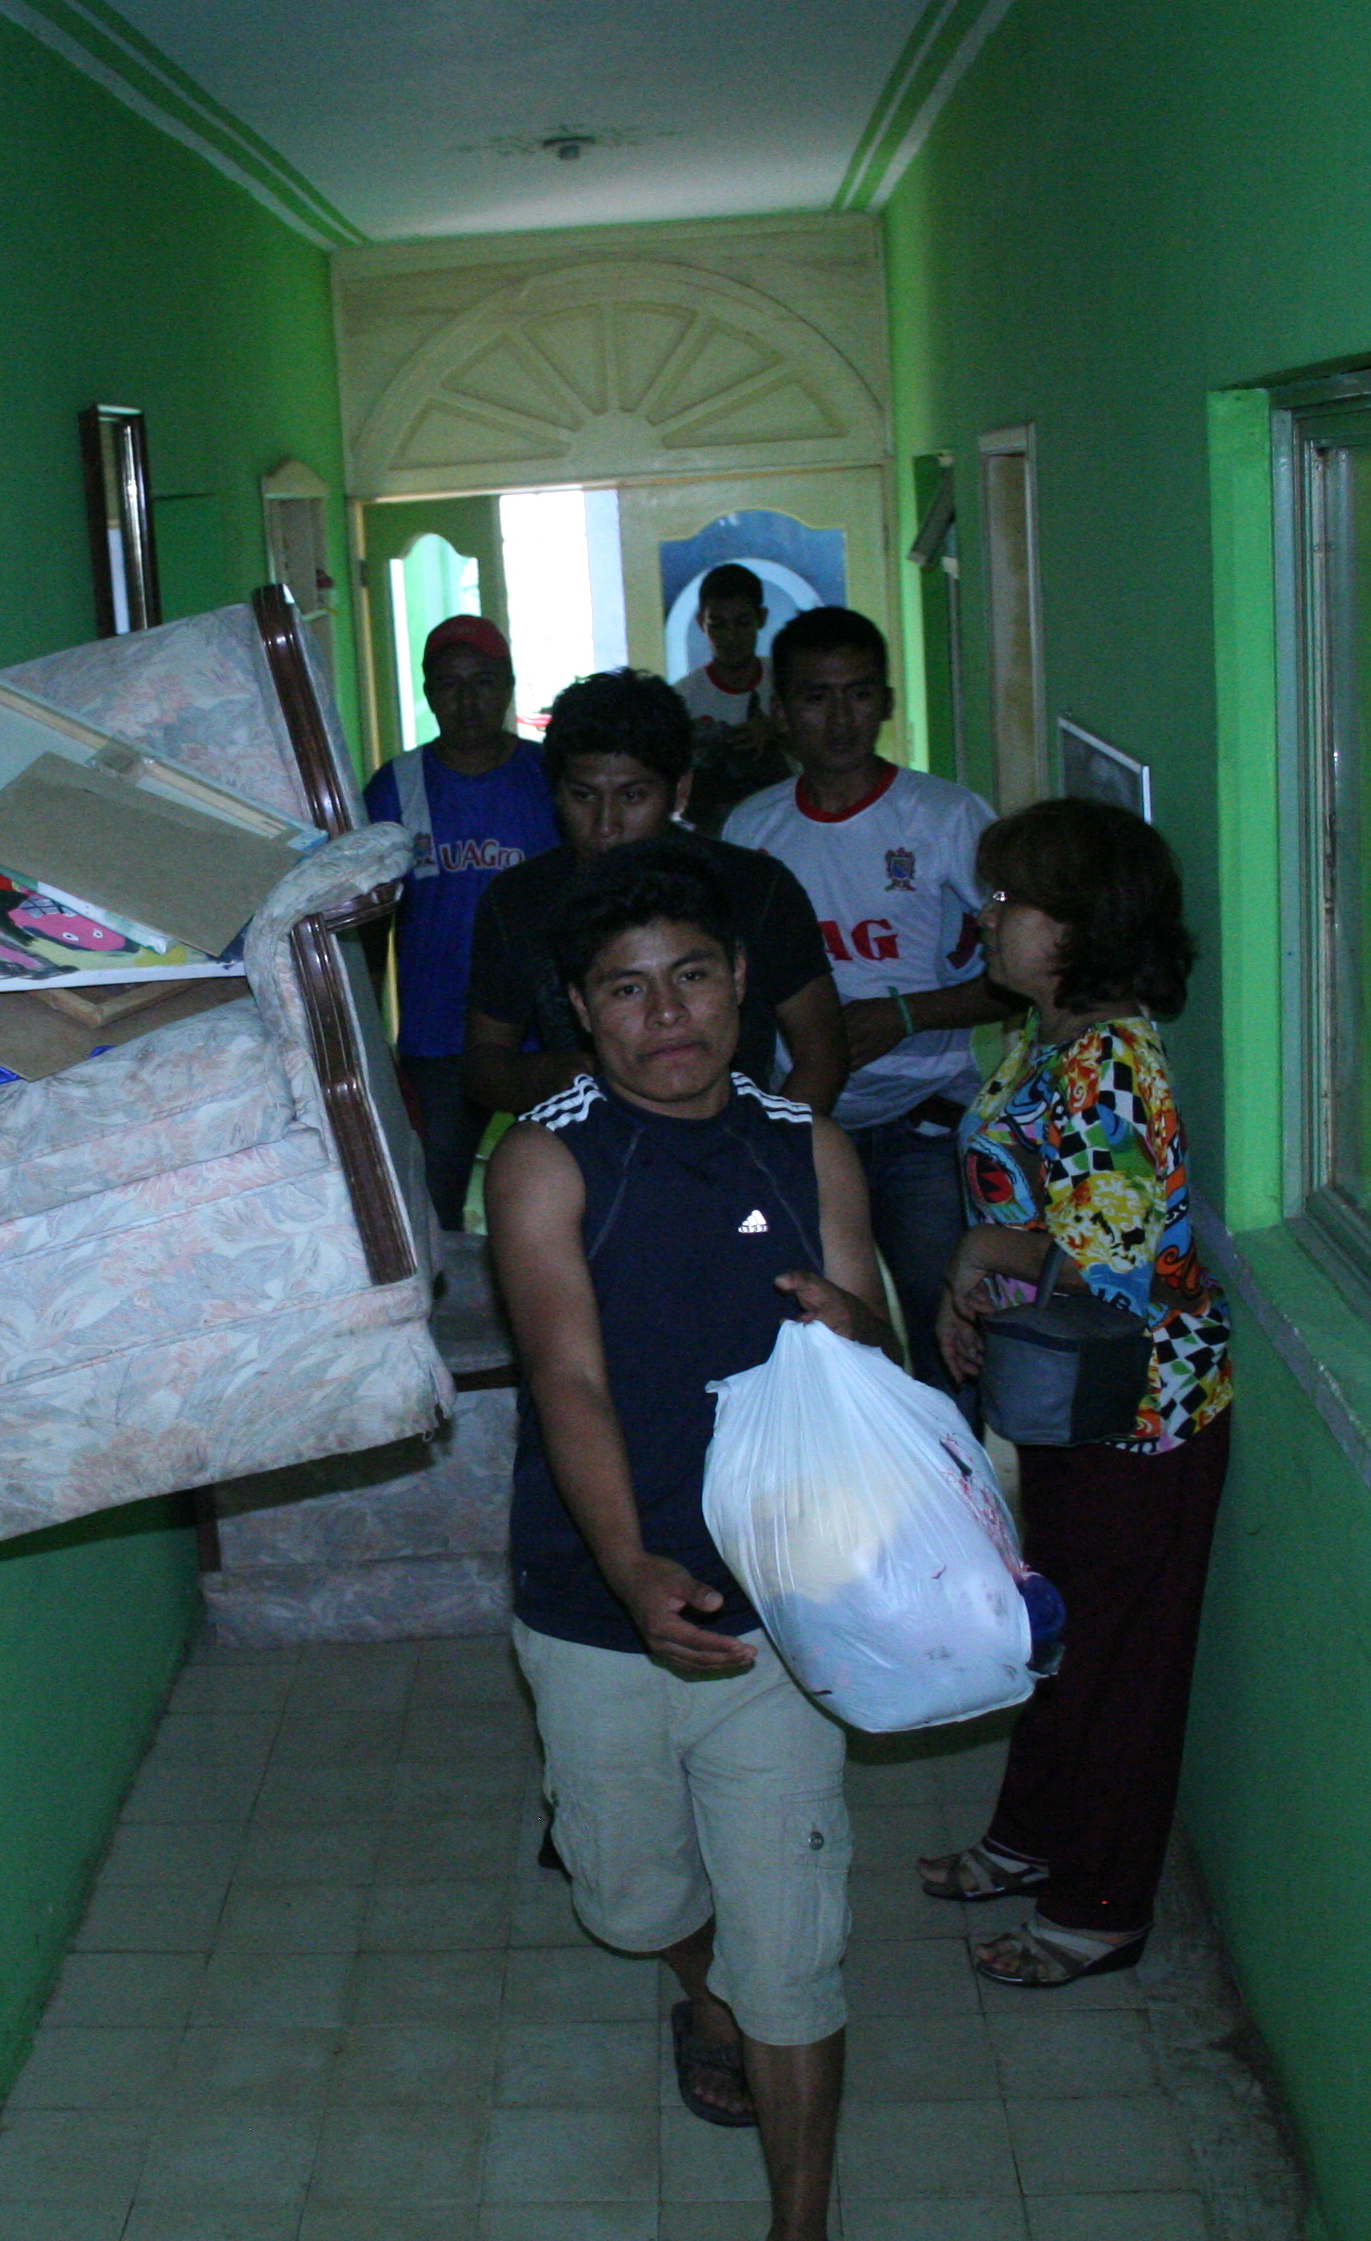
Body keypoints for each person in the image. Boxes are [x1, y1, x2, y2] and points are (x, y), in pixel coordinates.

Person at [486, 838, 894, 2241]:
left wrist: (857, 1323)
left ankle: (799, 2221)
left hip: (785, 1600)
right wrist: (628, 1567)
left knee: (796, 1941)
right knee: (628, 1891)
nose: (668, 1015)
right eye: (628, 989)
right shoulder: (546, 1160)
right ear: (583, 1010)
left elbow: (877, 1357)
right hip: (594, 1602)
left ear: (742, 984)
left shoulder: (806, 1145)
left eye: (695, 977)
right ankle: (698, 1983)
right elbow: (569, 1379)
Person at [918, 797, 1234, 1989]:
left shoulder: (1112, 1058)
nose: (989, 918)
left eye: (1013, 900)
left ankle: (1097, 1908)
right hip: (1067, 1393)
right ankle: (1029, 1841)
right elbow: (1036, 1206)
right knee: (1058, 1636)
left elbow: (1127, 1256)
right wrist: (972, 1293)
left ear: (1081, 924)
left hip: (1139, 1412)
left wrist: (980, 1258)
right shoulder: (1047, 1038)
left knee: (1116, 1665)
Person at [724, 605, 1011, 1378]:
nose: (841, 718)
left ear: (886, 701)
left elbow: (1026, 976)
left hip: (926, 1120)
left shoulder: (948, 818)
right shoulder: (751, 831)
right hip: (802, 1123)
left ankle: (953, 1458)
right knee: (806, 1329)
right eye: (816, 697)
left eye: (858, 694)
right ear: (780, 712)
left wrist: (907, 1015)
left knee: (950, 1331)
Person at [462, 671, 844, 1123]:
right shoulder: (519, 900)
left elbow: (823, 1053)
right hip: (587, 1153)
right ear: (556, 792)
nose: (606, 825)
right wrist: (545, 1077)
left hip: (738, 1140)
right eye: (583, 796)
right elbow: (484, 1066)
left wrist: (771, 1150)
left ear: (679, 790)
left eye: (632, 796)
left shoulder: (754, 888)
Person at [363, 613, 558, 1228]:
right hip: (438, 1037)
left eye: (483, 682)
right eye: (449, 684)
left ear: (508, 686)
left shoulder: (550, 777)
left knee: (561, 1192)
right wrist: (370, 1036)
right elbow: (369, 923)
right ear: (428, 692)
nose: (467, 701)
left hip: (543, 1036)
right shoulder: (396, 786)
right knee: (432, 1204)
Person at [681, 564, 791, 832]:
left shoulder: (790, 682)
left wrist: (776, 731)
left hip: (785, 825)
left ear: (761, 618)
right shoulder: (681, 699)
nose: (730, 637)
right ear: (701, 623)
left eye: (742, 623)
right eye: (717, 625)